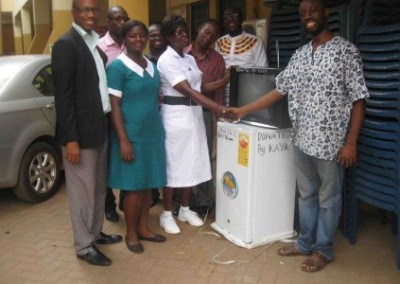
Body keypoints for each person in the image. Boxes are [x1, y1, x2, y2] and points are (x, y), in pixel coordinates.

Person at [227, 0, 369, 272]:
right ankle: (305, 243)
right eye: (303, 13)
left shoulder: (346, 51)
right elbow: (278, 90)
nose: (308, 17)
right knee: (306, 195)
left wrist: (351, 142)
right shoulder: (301, 54)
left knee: (329, 199)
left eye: (312, 11)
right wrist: (243, 110)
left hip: (330, 144)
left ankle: (323, 250)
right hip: (301, 139)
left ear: (325, 13)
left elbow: (359, 98)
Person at [51, 0, 122, 266]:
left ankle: (94, 233)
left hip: (99, 127)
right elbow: (64, 97)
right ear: (74, 12)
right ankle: (83, 246)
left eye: (94, 9)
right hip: (79, 135)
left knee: (98, 188)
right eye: (84, 9)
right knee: (82, 192)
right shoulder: (66, 45)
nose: (90, 14)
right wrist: (71, 139)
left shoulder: (94, 43)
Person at [157, 15, 228, 235]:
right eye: (178, 32)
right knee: (173, 165)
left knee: (191, 161)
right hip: (175, 117)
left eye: (185, 31)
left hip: (194, 116)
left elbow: (201, 87)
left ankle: (185, 210)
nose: (184, 35)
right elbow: (187, 89)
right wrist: (218, 108)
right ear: (169, 37)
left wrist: (224, 82)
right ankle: (167, 213)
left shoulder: (188, 59)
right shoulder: (166, 60)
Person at [106, 20, 167, 254]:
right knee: (132, 187)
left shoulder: (152, 65)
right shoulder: (117, 68)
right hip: (130, 135)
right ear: (124, 39)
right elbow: (115, 105)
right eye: (133, 36)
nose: (139, 39)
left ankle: (144, 228)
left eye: (142, 35)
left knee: (147, 185)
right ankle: (131, 232)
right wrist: (123, 140)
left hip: (152, 133)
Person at [185, 19, 229, 217]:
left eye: (213, 35)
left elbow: (219, 92)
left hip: (205, 112)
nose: (208, 37)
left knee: (203, 156)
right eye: (206, 31)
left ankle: (203, 200)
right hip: (182, 111)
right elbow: (195, 88)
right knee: (183, 155)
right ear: (198, 29)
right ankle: (183, 198)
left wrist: (219, 117)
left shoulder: (217, 59)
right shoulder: (181, 54)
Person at [98, 5, 129, 222]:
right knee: (109, 159)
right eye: (116, 19)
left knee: (128, 156)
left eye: (124, 19)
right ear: (108, 21)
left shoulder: (133, 43)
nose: (121, 23)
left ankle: (126, 199)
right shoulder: (99, 47)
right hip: (108, 111)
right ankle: (108, 204)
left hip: (130, 110)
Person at [216, 6, 268, 106]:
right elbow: (217, 69)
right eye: (226, 17)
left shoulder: (256, 41)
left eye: (234, 15)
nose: (230, 19)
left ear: (242, 18)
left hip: (248, 94)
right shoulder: (219, 42)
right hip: (223, 94)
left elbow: (263, 70)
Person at [145, 22, 168, 207]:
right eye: (152, 35)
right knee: (153, 153)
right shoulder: (144, 60)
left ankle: (171, 192)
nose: (157, 38)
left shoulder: (172, 57)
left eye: (160, 34)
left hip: (171, 112)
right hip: (153, 113)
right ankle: (152, 192)